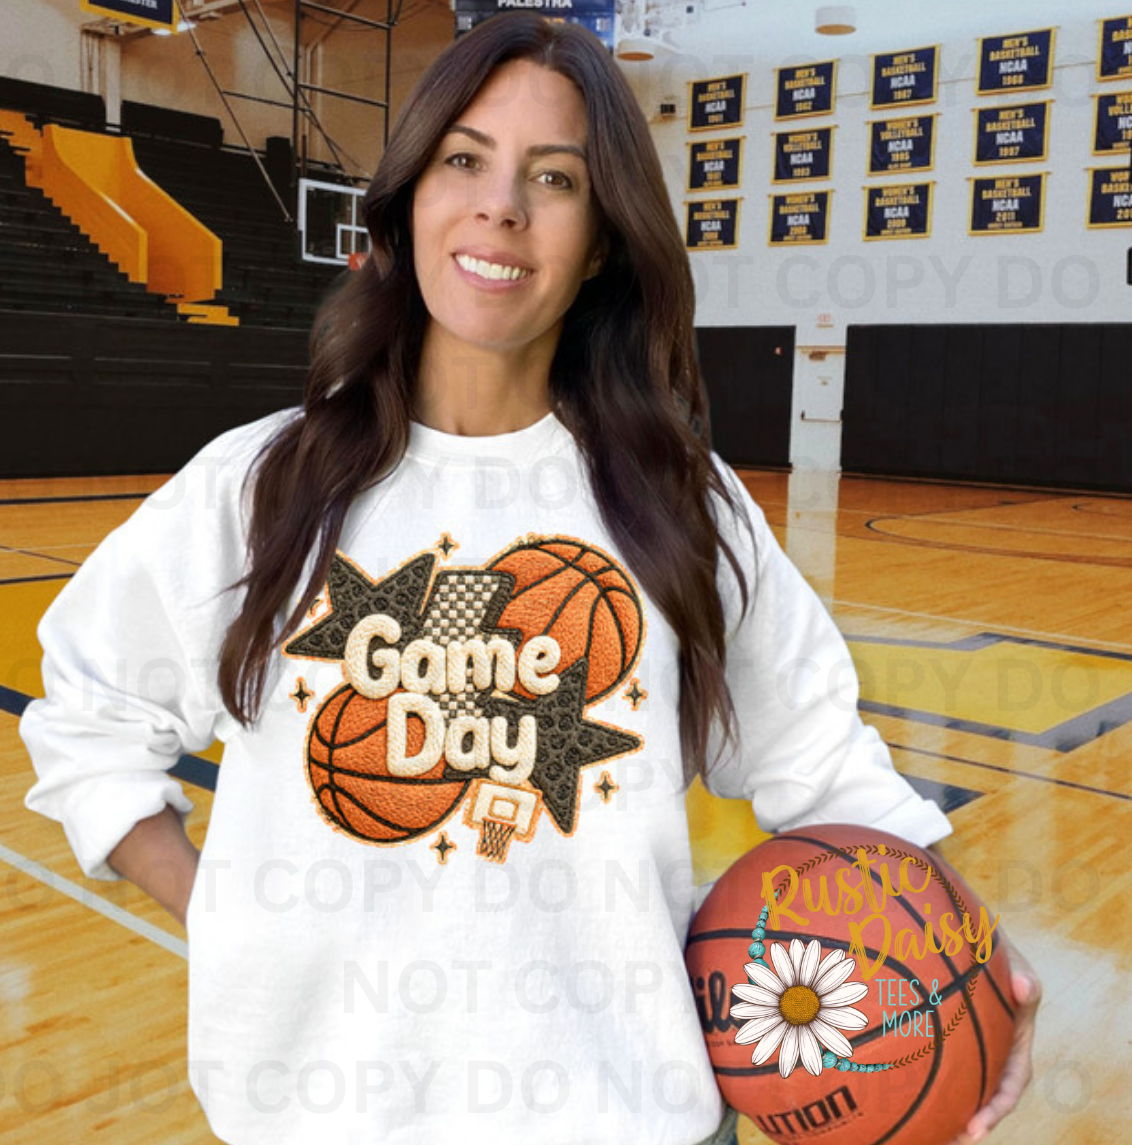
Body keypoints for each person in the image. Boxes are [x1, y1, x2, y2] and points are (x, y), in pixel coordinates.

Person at [19, 12, 1039, 1145]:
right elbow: (86, 717)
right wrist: (213, 906)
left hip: (625, 1112)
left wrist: (968, 964)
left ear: (602, 239)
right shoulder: (258, 484)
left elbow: (823, 759)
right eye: (464, 159)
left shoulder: (676, 499)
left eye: (553, 178)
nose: (500, 205)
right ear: (410, 200)